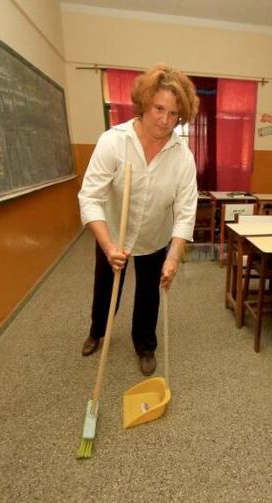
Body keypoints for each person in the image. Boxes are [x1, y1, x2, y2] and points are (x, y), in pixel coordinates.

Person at [77, 64, 199, 376]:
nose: (165, 120)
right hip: (113, 233)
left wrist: (174, 257)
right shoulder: (113, 141)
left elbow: (186, 211)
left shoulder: (182, 155)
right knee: (106, 290)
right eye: (159, 108)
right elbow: (90, 197)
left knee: (148, 295)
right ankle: (98, 331)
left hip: (155, 237)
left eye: (174, 114)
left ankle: (145, 345)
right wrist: (107, 245)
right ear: (144, 103)